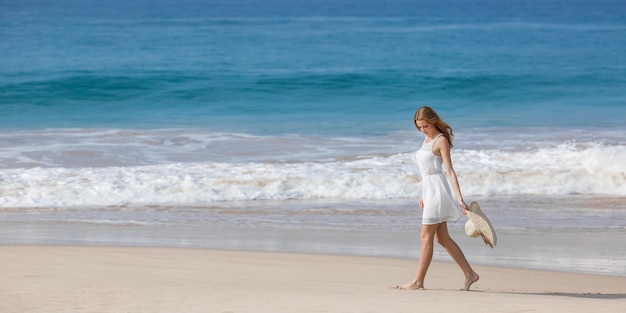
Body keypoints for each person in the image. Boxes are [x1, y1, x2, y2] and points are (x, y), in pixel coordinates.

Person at [396, 106, 479, 291]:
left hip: (438, 192)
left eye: (425, 126)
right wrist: (422, 193)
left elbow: (449, 171)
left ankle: (418, 281)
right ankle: (470, 274)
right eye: (419, 127)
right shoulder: (427, 139)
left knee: (426, 236)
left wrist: (459, 199)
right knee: (442, 238)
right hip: (429, 191)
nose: (423, 130)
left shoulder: (441, 140)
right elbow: (426, 171)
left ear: (433, 121)